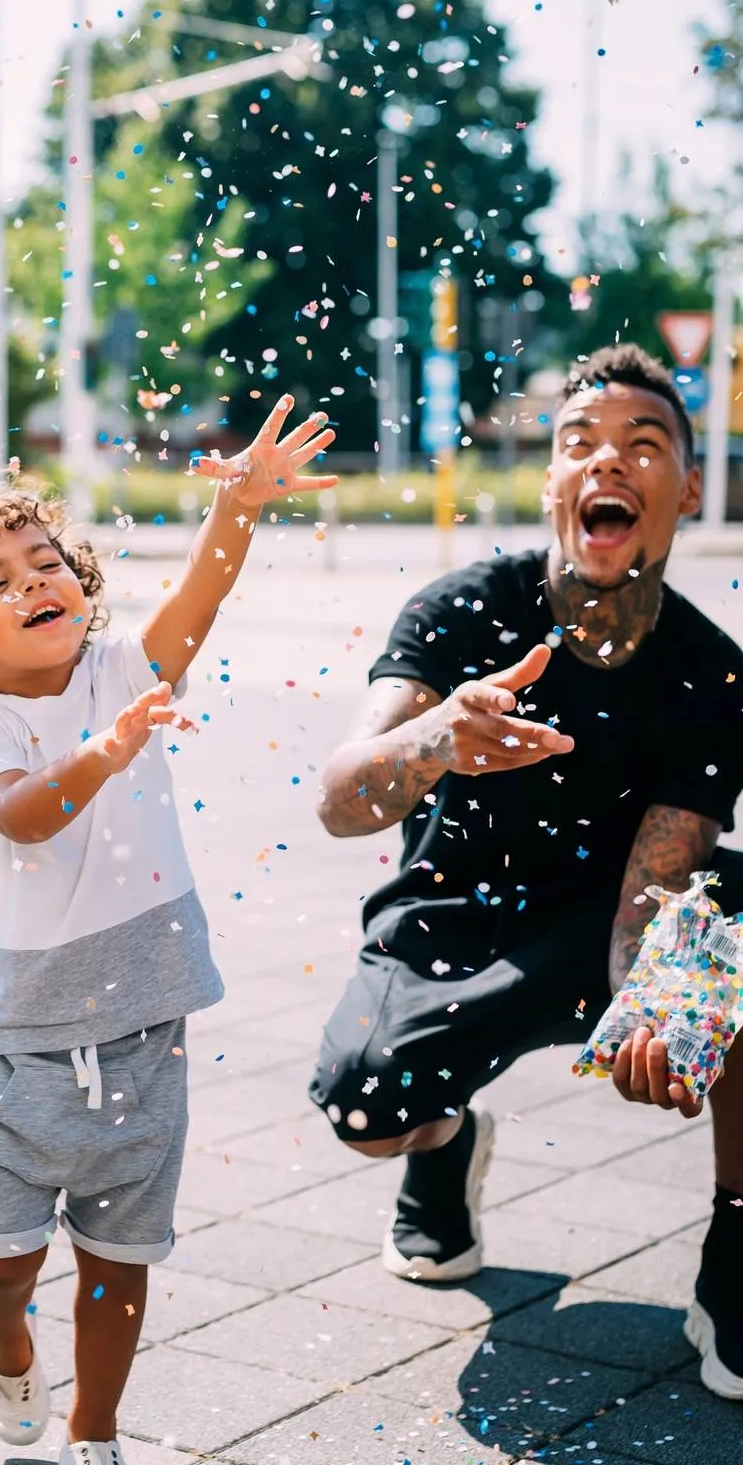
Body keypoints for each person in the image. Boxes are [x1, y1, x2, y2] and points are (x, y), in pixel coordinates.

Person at [0, 397, 336, 1465]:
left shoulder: (123, 667)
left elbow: (202, 595)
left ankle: (96, 1433)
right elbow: (25, 815)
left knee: (116, 1256)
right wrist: (106, 749)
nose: (33, 580)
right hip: (24, 1038)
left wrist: (234, 504)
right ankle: (5, 1350)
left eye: (46, 562)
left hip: (144, 1022)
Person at [311, 343, 743, 1400]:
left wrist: (652, 1003)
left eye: (643, 446)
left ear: (686, 486)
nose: (608, 463)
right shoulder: (463, 609)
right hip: (455, 914)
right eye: (578, 444)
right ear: (551, 480)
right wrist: (437, 742)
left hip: (602, 918)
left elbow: (668, 862)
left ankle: (736, 1242)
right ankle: (443, 1148)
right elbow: (339, 797)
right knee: (364, 1106)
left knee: (736, 910)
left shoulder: (710, 667)